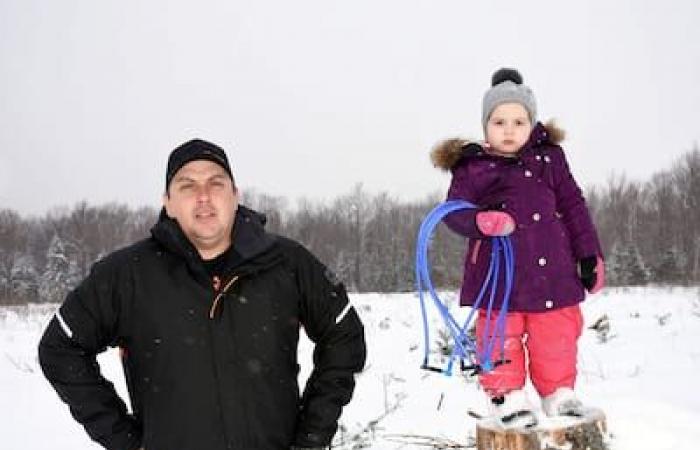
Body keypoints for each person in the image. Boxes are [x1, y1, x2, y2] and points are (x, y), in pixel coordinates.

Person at [38, 139, 367, 450]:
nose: (204, 196)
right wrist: (125, 440)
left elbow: (344, 335)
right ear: (168, 201)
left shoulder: (288, 263)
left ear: (235, 195)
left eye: (216, 183)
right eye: (187, 185)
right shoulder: (126, 274)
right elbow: (60, 348)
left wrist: (312, 435)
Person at [430, 68, 604, 428]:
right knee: (499, 338)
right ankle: (506, 396)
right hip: (499, 278)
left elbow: (573, 205)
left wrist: (589, 254)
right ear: (485, 126)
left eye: (519, 121)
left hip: (552, 272)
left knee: (555, 335)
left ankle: (558, 392)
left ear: (532, 123)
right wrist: (481, 221)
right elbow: (454, 211)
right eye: (499, 122)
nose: (509, 130)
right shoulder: (474, 167)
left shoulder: (549, 159)